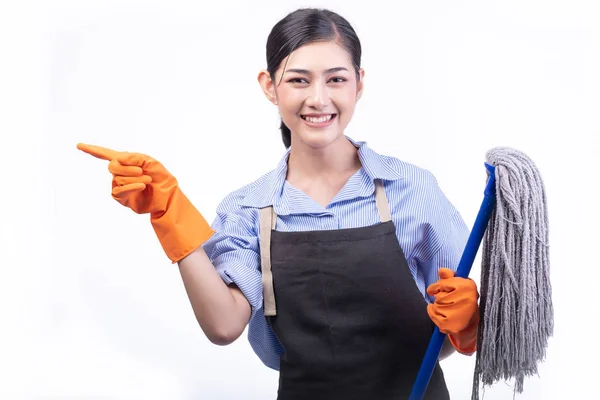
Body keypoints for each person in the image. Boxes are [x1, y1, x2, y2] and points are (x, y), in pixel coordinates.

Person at [77, 8, 480, 400]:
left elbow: (469, 313)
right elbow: (223, 325)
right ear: (270, 86)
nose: (318, 99)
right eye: (299, 80)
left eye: (336, 79)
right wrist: (170, 215)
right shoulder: (250, 209)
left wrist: (469, 323)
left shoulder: (410, 189)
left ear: (359, 83)